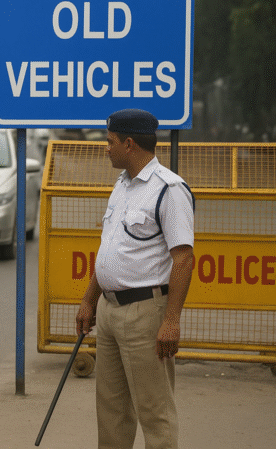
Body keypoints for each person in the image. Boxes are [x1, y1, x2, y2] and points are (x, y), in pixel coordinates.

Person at [75, 108, 195, 449]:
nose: (106, 148)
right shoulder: (122, 186)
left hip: (145, 313)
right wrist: (89, 300)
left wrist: (171, 320)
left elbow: (184, 259)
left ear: (129, 144)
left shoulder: (169, 190)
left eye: (110, 141)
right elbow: (110, 250)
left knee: (155, 412)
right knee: (111, 412)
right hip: (109, 311)